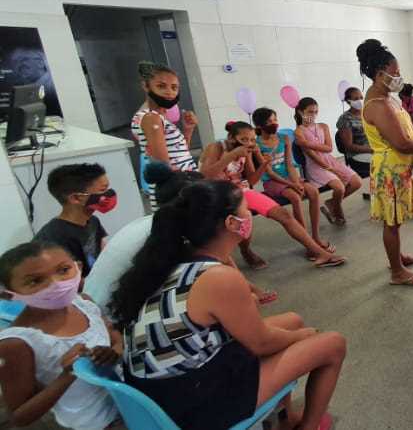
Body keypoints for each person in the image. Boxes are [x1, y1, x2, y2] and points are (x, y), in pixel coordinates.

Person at [109, 180, 346, 430]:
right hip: (190, 405)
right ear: (232, 223)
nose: (251, 214)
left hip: (162, 391)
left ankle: (284, 418)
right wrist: (305, 336)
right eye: (246, 210)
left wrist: (294, 333)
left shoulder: (176, 262)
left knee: (292, 320)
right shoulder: (217, 277)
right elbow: (261, 342)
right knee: (331, 344)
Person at [85, 162, 276, 314]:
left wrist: (250, 288)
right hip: (109, 320)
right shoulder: (169, 236)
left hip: (101, 306)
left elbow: (222, 258)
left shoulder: (164, 224)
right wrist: (245, 296)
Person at [0, 241, 121, 430]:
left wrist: (113, 351)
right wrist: (69, 374)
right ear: (9, 295)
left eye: (63, 270)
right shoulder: (16, 343)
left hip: (122, 403)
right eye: (35, 281)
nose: (56, 284)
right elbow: (18, 417)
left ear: (77, 267)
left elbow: (113, 334)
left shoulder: (84, 304)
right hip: (87, 424)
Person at [200, 121, 345, 268]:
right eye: (244, 139)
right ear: (231, 137)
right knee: (244, 219)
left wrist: (263, 163)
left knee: (283, 214)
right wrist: (231, 155)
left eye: (251, 140)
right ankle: (246, 251)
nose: (249, 143)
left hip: (241, 190)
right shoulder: (217, 148)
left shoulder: (246, 151)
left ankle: (319, 253)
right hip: (217, 193)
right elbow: (205, 175)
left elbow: (251, 180)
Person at [357, 38, 413, 286]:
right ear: (380, 74)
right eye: (395, 72)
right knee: (392, 222)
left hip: (400, 168)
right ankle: (397, 272)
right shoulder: (378, 105)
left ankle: (396, 257)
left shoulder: (386, 97)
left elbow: (405, 131)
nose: (399, 77)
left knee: (395, 220)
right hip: (391, 170)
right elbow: (400, 142)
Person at [253, 107, 329, 245]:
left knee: (313, 192)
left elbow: (289, 164)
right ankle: (307, 241)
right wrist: (292, 185)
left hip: (290, 177)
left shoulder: (284, 138)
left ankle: (316, 236)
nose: (274, 123)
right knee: (295, 197)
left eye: (275, 119)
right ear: (259, 125)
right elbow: (269, 172)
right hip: (272, 181)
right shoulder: (257, 145)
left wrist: (297, 182)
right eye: (269, 121)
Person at [131, 61, 198, 208]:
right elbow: (164, 166)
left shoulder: (156, 116)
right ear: (146, 86)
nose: (169, 92)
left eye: (174, 87)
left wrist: (188, 130)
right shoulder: (151, 118)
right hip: (175, 191)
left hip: (180, 185)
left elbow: (178, 154)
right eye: (161, 86)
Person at [34, 163, 114, 277]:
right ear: (76, 198)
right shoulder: (53, 239)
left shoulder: (93, 221)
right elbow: (67, 281)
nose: (109, 194)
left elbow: (104, 253)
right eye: (103, 190)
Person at [294, 97, 362, 226]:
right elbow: (312, 155)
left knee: (356, 182)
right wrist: (330, 169)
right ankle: (337, 208)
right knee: (339, 188)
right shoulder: (299, 131)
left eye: (315, 112)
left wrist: (306, 143)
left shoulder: (323, 126)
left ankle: (332, 203)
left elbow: (329, 148)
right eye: (309, 112)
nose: (313, 115)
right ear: (300, 112)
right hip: (316, 165)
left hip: (330, 160)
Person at [335, 87, 373, 181]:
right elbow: (349, 146)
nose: (360, 100)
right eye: (356, 99)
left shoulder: (367, 113)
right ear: (348, 101)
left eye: (361, 97)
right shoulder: (345, 119)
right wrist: (371, 150)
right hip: (357, 154)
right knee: (384, 162)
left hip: (373, 149)